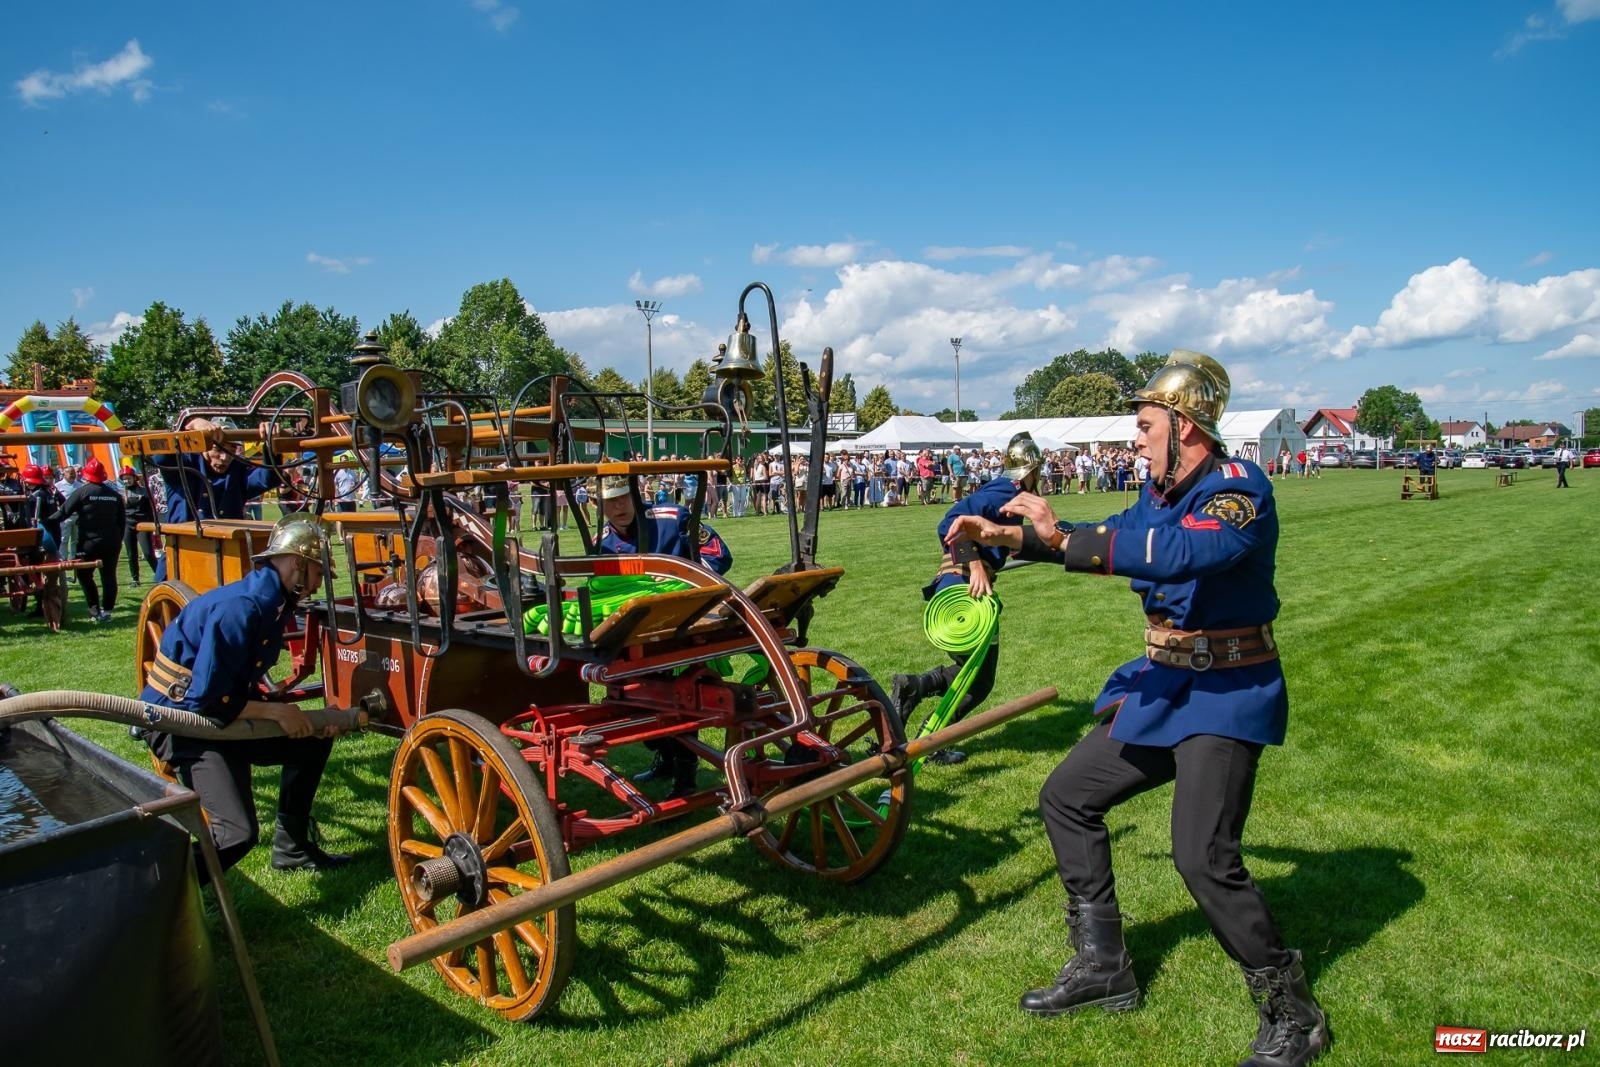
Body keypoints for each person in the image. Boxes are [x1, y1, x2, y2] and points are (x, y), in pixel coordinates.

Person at [947, 350, 1328, 1067]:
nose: (1137, 440)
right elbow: (1106, 534)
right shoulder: (1156, 495)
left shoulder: (1238, 487)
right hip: (1165, 687)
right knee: (1067, 797)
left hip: (1226, 693)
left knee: (1203, 857)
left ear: (1186, 428)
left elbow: (1181, 553)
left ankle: (1293, 1012)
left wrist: (1061, 535)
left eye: (1147, 426)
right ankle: (1104, 968)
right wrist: (1009, 537)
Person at [140, 513, 353, 875]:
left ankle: (292, 849)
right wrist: (276, 713)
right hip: (183, 725)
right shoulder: (242, 608)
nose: (319, 584)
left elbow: (236, 682)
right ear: (297, 564)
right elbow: (206, 699)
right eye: (318, 573)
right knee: (236, 834)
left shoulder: (272, 603)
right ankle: (161, 887)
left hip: (220, 714)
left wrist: (301, 717)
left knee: (312, 741)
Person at [892, 432, 1042, 766]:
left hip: (957, 588)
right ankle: (927, 723)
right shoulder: (1006, 491)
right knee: (979, 680)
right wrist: (975, 564)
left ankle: (917, 692)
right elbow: (950, 522)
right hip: (963, 589)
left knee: (970, 672)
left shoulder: (1007, 491)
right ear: (1031, 469)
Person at [597, 475, 733, 797]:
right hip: (638, 637)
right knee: (631, 697)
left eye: (624, 496)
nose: (619, 506)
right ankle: (666, 756)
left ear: (636, 494)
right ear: (597, 505)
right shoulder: (601, 543)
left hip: (686, 626)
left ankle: (685, 776)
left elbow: (719, 555)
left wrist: (682, 586)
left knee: (677, 699)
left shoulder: (672, 518)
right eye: (610, 501)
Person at [54, 457, 124, 622]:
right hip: (111, 541)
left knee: (84, 575)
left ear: (86, 475)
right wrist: (117, 539)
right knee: (109, 576)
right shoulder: (114, 495)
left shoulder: (82, 492)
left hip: (88, 543)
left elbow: (63, 512)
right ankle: (107, 611)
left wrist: (45, 522)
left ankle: (94, 609)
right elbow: (122, 521)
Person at [120, 466, 159, 586]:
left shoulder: (144, 491)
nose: (126, 481)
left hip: (143, 524)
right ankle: (135, 579)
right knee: (131, 554)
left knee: (148, 553)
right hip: (128, 524)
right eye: (124, 479)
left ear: (134, 478)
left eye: (128, 478)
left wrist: (154, 526)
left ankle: (160, 575)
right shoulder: (121, 493)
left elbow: (151, 510)